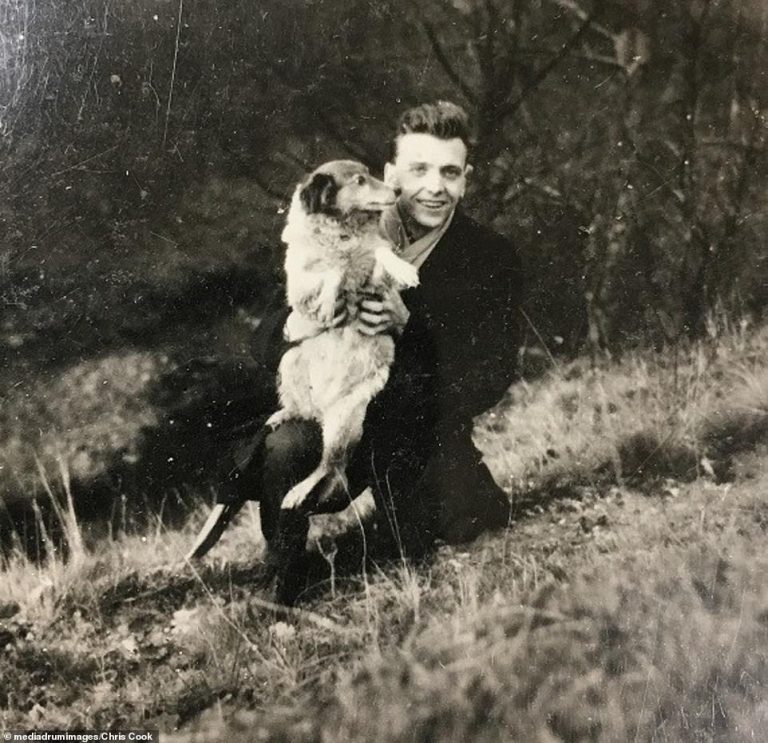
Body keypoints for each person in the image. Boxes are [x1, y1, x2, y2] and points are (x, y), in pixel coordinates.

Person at [214, 101, 523, 601]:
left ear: (466, 179)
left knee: (422, 544)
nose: (434, 187)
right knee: (285, 447)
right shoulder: (340, 224)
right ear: (390, 174)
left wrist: (408, 327)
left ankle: (427, 514)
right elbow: (264, 337)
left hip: (416, 431)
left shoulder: (489, 256)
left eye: (449, 172)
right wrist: (299, 322)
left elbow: (491, 374)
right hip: (331, 411)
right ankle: (283, 568)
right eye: (418, 169)